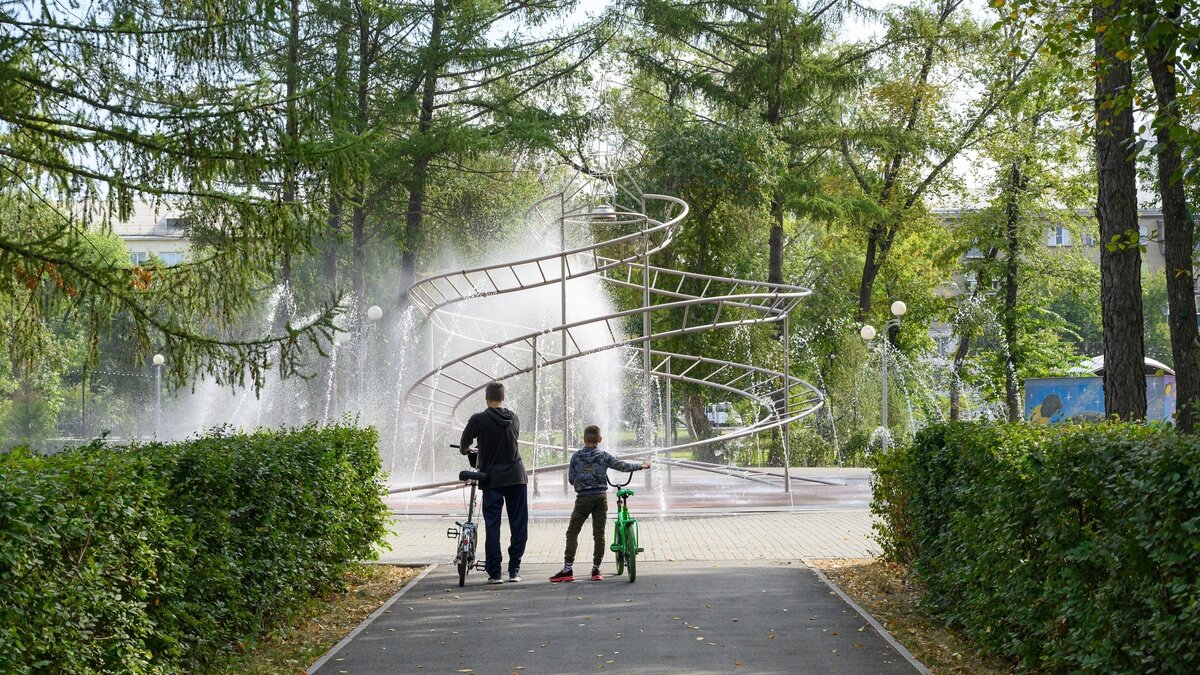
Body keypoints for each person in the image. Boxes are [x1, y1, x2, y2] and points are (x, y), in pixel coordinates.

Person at [549, 425, 649, 582]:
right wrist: (641, 466)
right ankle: (596, 570)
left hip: (583, 499)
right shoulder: (604, 456)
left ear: (584, 439)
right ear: (600, 440)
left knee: (573, 532)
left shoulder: (576, 457)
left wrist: (583, 479)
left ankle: (568, 569)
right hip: (600, 498)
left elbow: (571, 479)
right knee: (599, 534)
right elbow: (621, 466)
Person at [459, 381, 527, 584]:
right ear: (503, 397)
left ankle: (495, 573)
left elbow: (464, 444)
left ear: (486, 397)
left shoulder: (479, 419)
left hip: (493, 479)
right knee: (519, 524)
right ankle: (514, 570)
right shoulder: (513, 417)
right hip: (516, 476)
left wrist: (467, 450)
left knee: (493, 525)